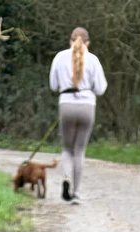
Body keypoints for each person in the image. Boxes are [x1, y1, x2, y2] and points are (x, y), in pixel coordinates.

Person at [49, 26, 107, 203]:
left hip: (66, 105)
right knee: (79, 150)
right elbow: (100, 88)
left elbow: (53, 85)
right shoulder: (94, 60)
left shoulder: (59, 57)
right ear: (88, 42)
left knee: (67, 148)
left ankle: (66, 177)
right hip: (87, 106)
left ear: (70, 41)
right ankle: (76, 192)